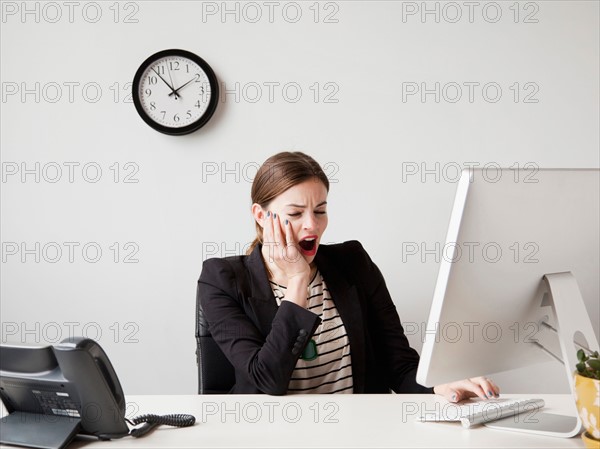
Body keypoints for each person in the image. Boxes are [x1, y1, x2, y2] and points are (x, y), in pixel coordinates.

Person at [198, 151, 500, 399]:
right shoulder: (221, 278)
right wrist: (299, 281)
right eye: (295, 213)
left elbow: (399, 365)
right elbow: (268, 380)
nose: (311, 226)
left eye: (320, 210)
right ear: (261, 216)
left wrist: (441, 385)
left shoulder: (353, 263)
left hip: (358, 433)